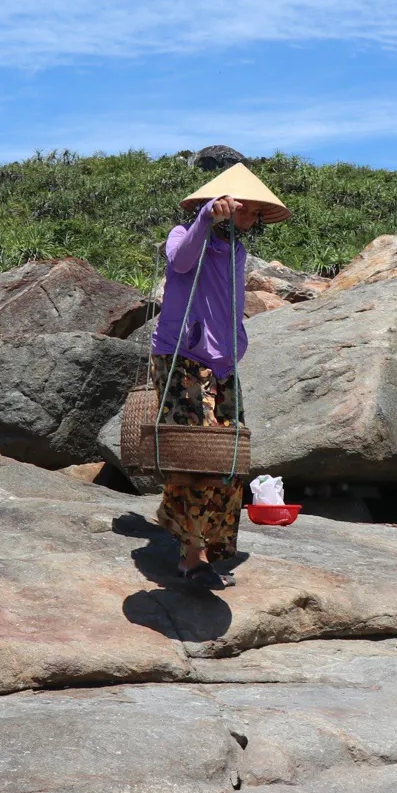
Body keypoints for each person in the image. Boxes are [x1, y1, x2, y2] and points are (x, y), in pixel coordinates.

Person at [150, 163, 290, 589]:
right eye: (247, 209)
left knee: (229, 458)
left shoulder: (236, 250)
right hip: (184, 358)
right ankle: (191, 557)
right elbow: (180, 261)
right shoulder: (183, 234)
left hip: (224, 364)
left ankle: (209, 546)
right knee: (196, 458)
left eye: (256, 213)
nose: (251, 218)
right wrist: (206, 218)